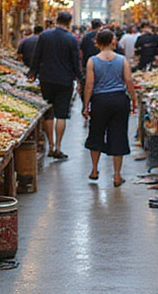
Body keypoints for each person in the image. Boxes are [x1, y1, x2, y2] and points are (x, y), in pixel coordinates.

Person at [82, 29, 136, 185]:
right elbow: (129, 82)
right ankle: (117, 175)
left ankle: (94, 170)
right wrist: (133, 100)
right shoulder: (122, 60)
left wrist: (86, 105)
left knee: (96, 133)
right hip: (119, 100)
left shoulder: (92, 61)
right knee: (118, 135)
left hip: (100, 101)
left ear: (97, 42)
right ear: (113, 41)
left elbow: (89, 85)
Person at [29, 10, 81, 159]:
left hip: (46, 78)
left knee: (49, 112)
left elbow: (36, 56)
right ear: (69, 23)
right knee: (61, 114)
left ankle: (50, 145)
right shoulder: (71, 39)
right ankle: (58, 147)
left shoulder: (45, 36)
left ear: (56, 20)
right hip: (65, 80)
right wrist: (79, 78)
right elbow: (75, 61)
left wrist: (33, 72)